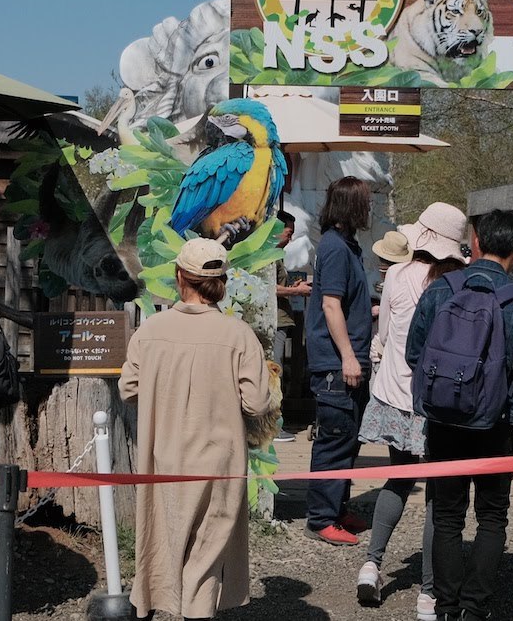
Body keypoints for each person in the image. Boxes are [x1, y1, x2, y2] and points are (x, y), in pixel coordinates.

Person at [121, 237, 271, 621]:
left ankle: (155, 604)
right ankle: (196, 613)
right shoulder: (238, 335)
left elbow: (129, 388)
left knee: (163, 540)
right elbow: (256, 403)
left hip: (164, 456)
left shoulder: (151, 330)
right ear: (221, 283)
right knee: (207, 547)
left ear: (178, 276)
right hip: (219, 459)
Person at [405, 209, 513, 621]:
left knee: (446, 515)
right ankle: (474, 608)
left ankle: (445, 607)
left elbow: (415, 353)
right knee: (492, 516)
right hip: (496, 425)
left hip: (444, 420)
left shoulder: (440, 289)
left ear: (476, 242)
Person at [356, 203, 467, 621]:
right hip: (435, 400)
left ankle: (372, 564)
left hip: (393, 393)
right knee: (437, 495)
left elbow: (383, 335)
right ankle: (427, 593)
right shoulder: (453, 281)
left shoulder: (397, 274)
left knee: (398, 478)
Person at [305, 176, 375, 546]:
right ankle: (321, 517)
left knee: (348, 438)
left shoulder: (348, 246)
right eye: (366, 201)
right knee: (333, 439)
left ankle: (337, 507)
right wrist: (347, 356)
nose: (371, 207)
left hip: (351, 360)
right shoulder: (334, 247)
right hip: (336, 365)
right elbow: (331, 304)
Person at [272, 211, 310, 442]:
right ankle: (272, 427)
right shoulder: (267, 256)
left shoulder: (275, 256)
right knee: (273, 375)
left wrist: (293, 286)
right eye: (289, 232)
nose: (290, 238)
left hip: (281, 320)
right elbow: (269, 288)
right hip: (275, 320)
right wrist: (296, 291)